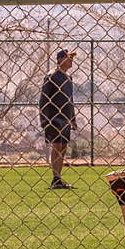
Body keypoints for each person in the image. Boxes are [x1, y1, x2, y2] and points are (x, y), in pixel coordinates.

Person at [39, 49, 78, 189]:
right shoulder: (51, 76)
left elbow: (70, 100)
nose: (71, 60)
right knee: (56, 146)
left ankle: (58, 178)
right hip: (53, 117)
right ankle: (55, 178)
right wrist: (44, 119)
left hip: (65, 119)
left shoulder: (68, 79)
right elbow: (44, 98)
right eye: (68, 57)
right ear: (60, 59)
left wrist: (72, 119)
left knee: (63, 147)